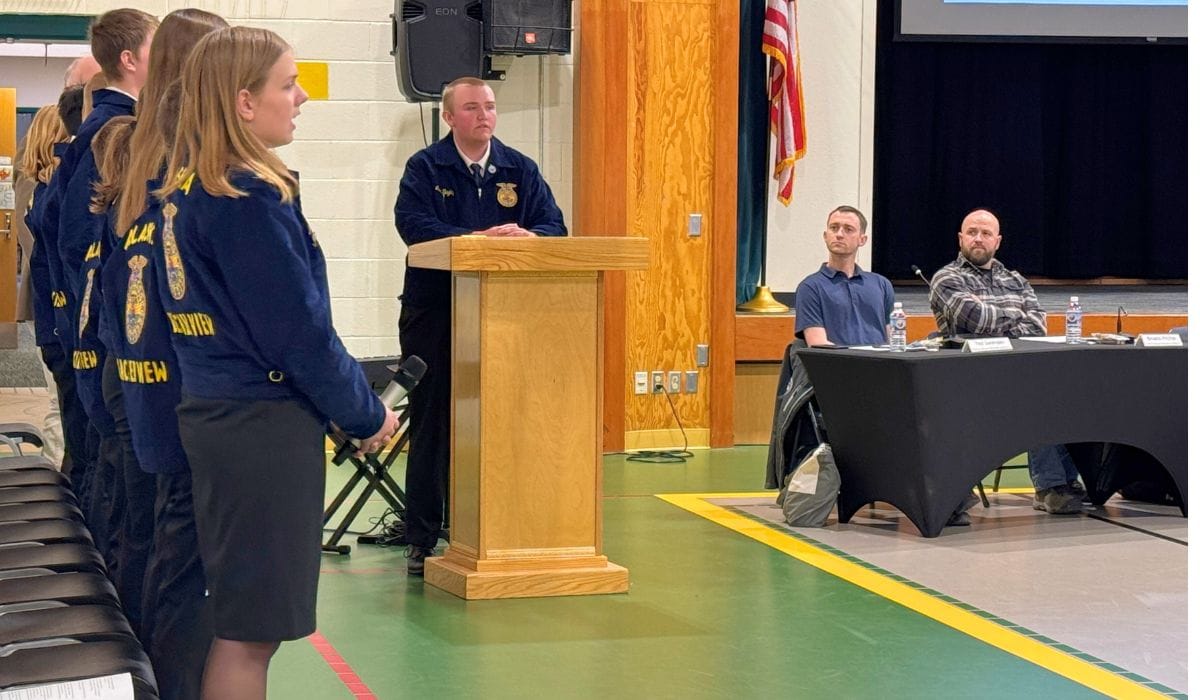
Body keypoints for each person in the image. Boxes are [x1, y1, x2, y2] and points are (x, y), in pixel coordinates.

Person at [156, 27, 400, 699]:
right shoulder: (243, 200)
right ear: (242, 102)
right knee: (249, 632)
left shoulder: (188, 191)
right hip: (258, 426)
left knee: (242, 622)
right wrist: (364, 410)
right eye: (287, 85)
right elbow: (298, 335)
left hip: (221, 414)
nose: (301, 99)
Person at [393, 76, 567, 575]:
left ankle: (497, 529)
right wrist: (478, 237)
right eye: (471, 108)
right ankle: (422, 537)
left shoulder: (519, 169)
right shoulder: (425, 168)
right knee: (433, 421)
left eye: (489, 107)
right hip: (436, 315)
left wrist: (527, 235)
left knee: (504, 418)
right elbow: (414, 226)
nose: (484, 116)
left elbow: (556, 226)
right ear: (449, 117)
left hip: (505, 317)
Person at [103, 10, 228, 697]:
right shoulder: (185, 159)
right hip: (182, 384)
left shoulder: (144, 146)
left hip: (145, 378)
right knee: (182, 567)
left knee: (167, 554)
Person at [929, 208, 1085, 514]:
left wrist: (993, 316)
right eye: (972, 232)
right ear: (960, 238)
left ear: (997, 241)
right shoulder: (946, 278)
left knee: (1070, 389)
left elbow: (1037, 327)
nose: (978, 238)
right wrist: (1014, 315)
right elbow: (974, 318)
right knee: (1035, 395)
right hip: (968, 381)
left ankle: (1069, 482)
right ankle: (1051, 485)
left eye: (986, 234)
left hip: (1018, 373)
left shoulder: (1015, 279)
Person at [794, 205, 894, 347]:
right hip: (836, 366)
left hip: (882, 365)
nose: (839, 234)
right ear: (825, 236)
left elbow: (894, 341)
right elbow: (818, 345)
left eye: (848, 229)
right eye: (834, 228)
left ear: (862, 239)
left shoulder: (881, 284)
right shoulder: (810, 287)